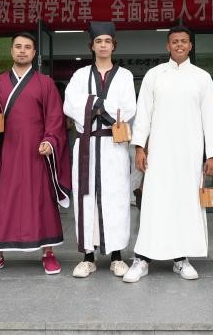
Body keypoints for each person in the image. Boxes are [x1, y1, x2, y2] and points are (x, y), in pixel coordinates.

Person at [123, 25, 213, 283]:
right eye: (174, 41)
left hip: (190, 154)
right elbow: (143, 114)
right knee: (154, 203)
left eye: (183, 41)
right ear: (167, 46)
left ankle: (181, 259)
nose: (179, 45)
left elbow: (211, 118)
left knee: (185, 203)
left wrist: (212, 155)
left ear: (190, 46)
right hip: (158, 153)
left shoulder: (202, 78)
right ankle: (142, 258)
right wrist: (139, 147)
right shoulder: (154, 75)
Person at [0, 32, 71, 276]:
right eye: (18, 46)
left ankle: (48, 253)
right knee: (2, 203)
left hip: (36, 153)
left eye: (27, 47)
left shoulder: (45, 83)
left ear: (34, 53)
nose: (22, 51)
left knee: (41, 201)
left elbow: (55, 118)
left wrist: (50, 140)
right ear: (11, 51)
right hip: (6, 153)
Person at [63, 22, 137, 278]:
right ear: (92, 46)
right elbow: (69, 104)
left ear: (113, 45)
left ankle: (117, 256)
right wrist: (100, 105)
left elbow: (128, 107)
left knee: (116, 197)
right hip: (86, 143)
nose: (103, 45)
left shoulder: (125, 76)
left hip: (113, 144)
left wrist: (96, 106)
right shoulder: (80, 75)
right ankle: (88, 256)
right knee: (86, 197)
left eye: (107, 41)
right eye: (98, 41)